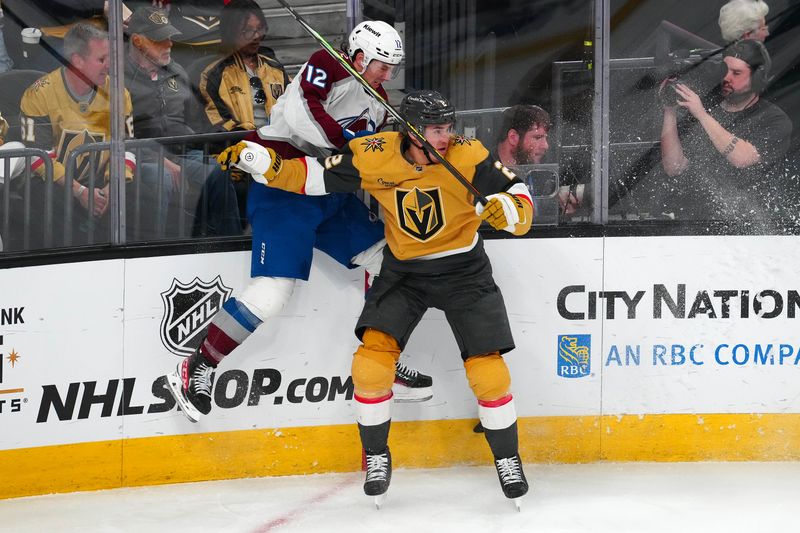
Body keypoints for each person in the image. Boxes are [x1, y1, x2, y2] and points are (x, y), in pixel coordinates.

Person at [219, 90, 533, 505]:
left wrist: (508, 211)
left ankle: (507, 459)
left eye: (449, 128)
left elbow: (520, 196)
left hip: (464, 271)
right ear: (410, 131)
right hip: (405, 272)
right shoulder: (374, 155)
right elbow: (313, 177)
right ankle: (376, 455)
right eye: (437, 129)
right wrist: (264, 162)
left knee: (488, 372)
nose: (446, 137)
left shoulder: (468, 156)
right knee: (370, 364)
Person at [166, 20, 433, 424]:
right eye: (382, 66)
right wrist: (351, 146)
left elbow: (364, 154)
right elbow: (304, 110)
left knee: (393, 263)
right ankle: (198, 366)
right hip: (284, 182)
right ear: (360, 56)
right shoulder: (327, 64)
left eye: (392, 69)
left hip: (329, 189)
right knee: (271, 293)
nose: (388, 76)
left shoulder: (377, 99)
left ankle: (383, 360)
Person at [19, 22, 166, 246]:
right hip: (56, 185)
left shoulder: (119, 94)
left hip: (102, 180)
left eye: (111, 58)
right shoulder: (39, 94)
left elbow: (126, 146)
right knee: (46, 202)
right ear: (77, 61)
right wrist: (79, 192)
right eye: (102, 59)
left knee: (144, 198)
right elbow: (38, 157)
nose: (109, 66)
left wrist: (114, 185)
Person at [659, 39, 792, 227]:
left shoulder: (775, 120)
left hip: (750, 225)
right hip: (695, 220)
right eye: (725, 70)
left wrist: (702, 115)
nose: (727, 78)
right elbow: (675, 167)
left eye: (737, 73)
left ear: (757, 77)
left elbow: (742, 158)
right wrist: (669, 110)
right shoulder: (703, 106)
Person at [192, 0, 288, 235]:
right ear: (230, 31)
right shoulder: (212, 73)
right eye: (247, 31)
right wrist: (257, 142)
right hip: (238, 159)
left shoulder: (275, 68)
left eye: (259, 29)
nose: (256, 36)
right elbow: (217, 124)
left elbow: (293, 112)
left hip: (278, 155)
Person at [124, 5, 216, 232]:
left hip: (183, 154)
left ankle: (218, 243)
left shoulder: (178, 72)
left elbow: (195, 124)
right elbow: (117, 137)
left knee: (221, 172)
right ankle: (154, 250)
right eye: (160, 39)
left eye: (170, 38)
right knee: (162, 178)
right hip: (141, 158)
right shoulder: (116, 78)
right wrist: (161, 160)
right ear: (137, 41)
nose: (170, 45)